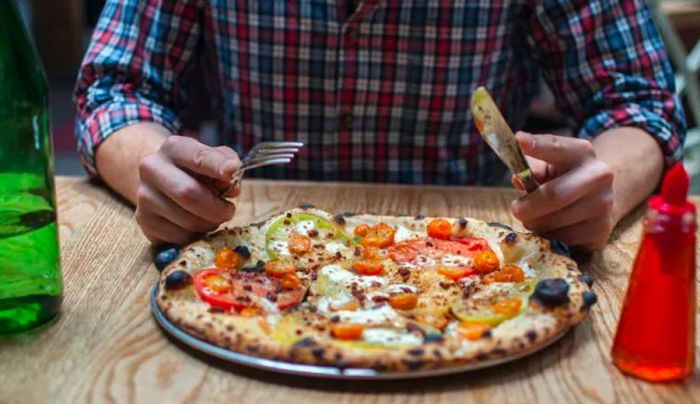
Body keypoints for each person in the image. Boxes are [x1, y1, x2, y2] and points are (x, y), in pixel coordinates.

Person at [74, 0, 686, 250]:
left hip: (472, 260)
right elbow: (116, 86)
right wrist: (151, 168)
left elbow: (637, 102)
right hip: (251, 257)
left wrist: (605, 182)